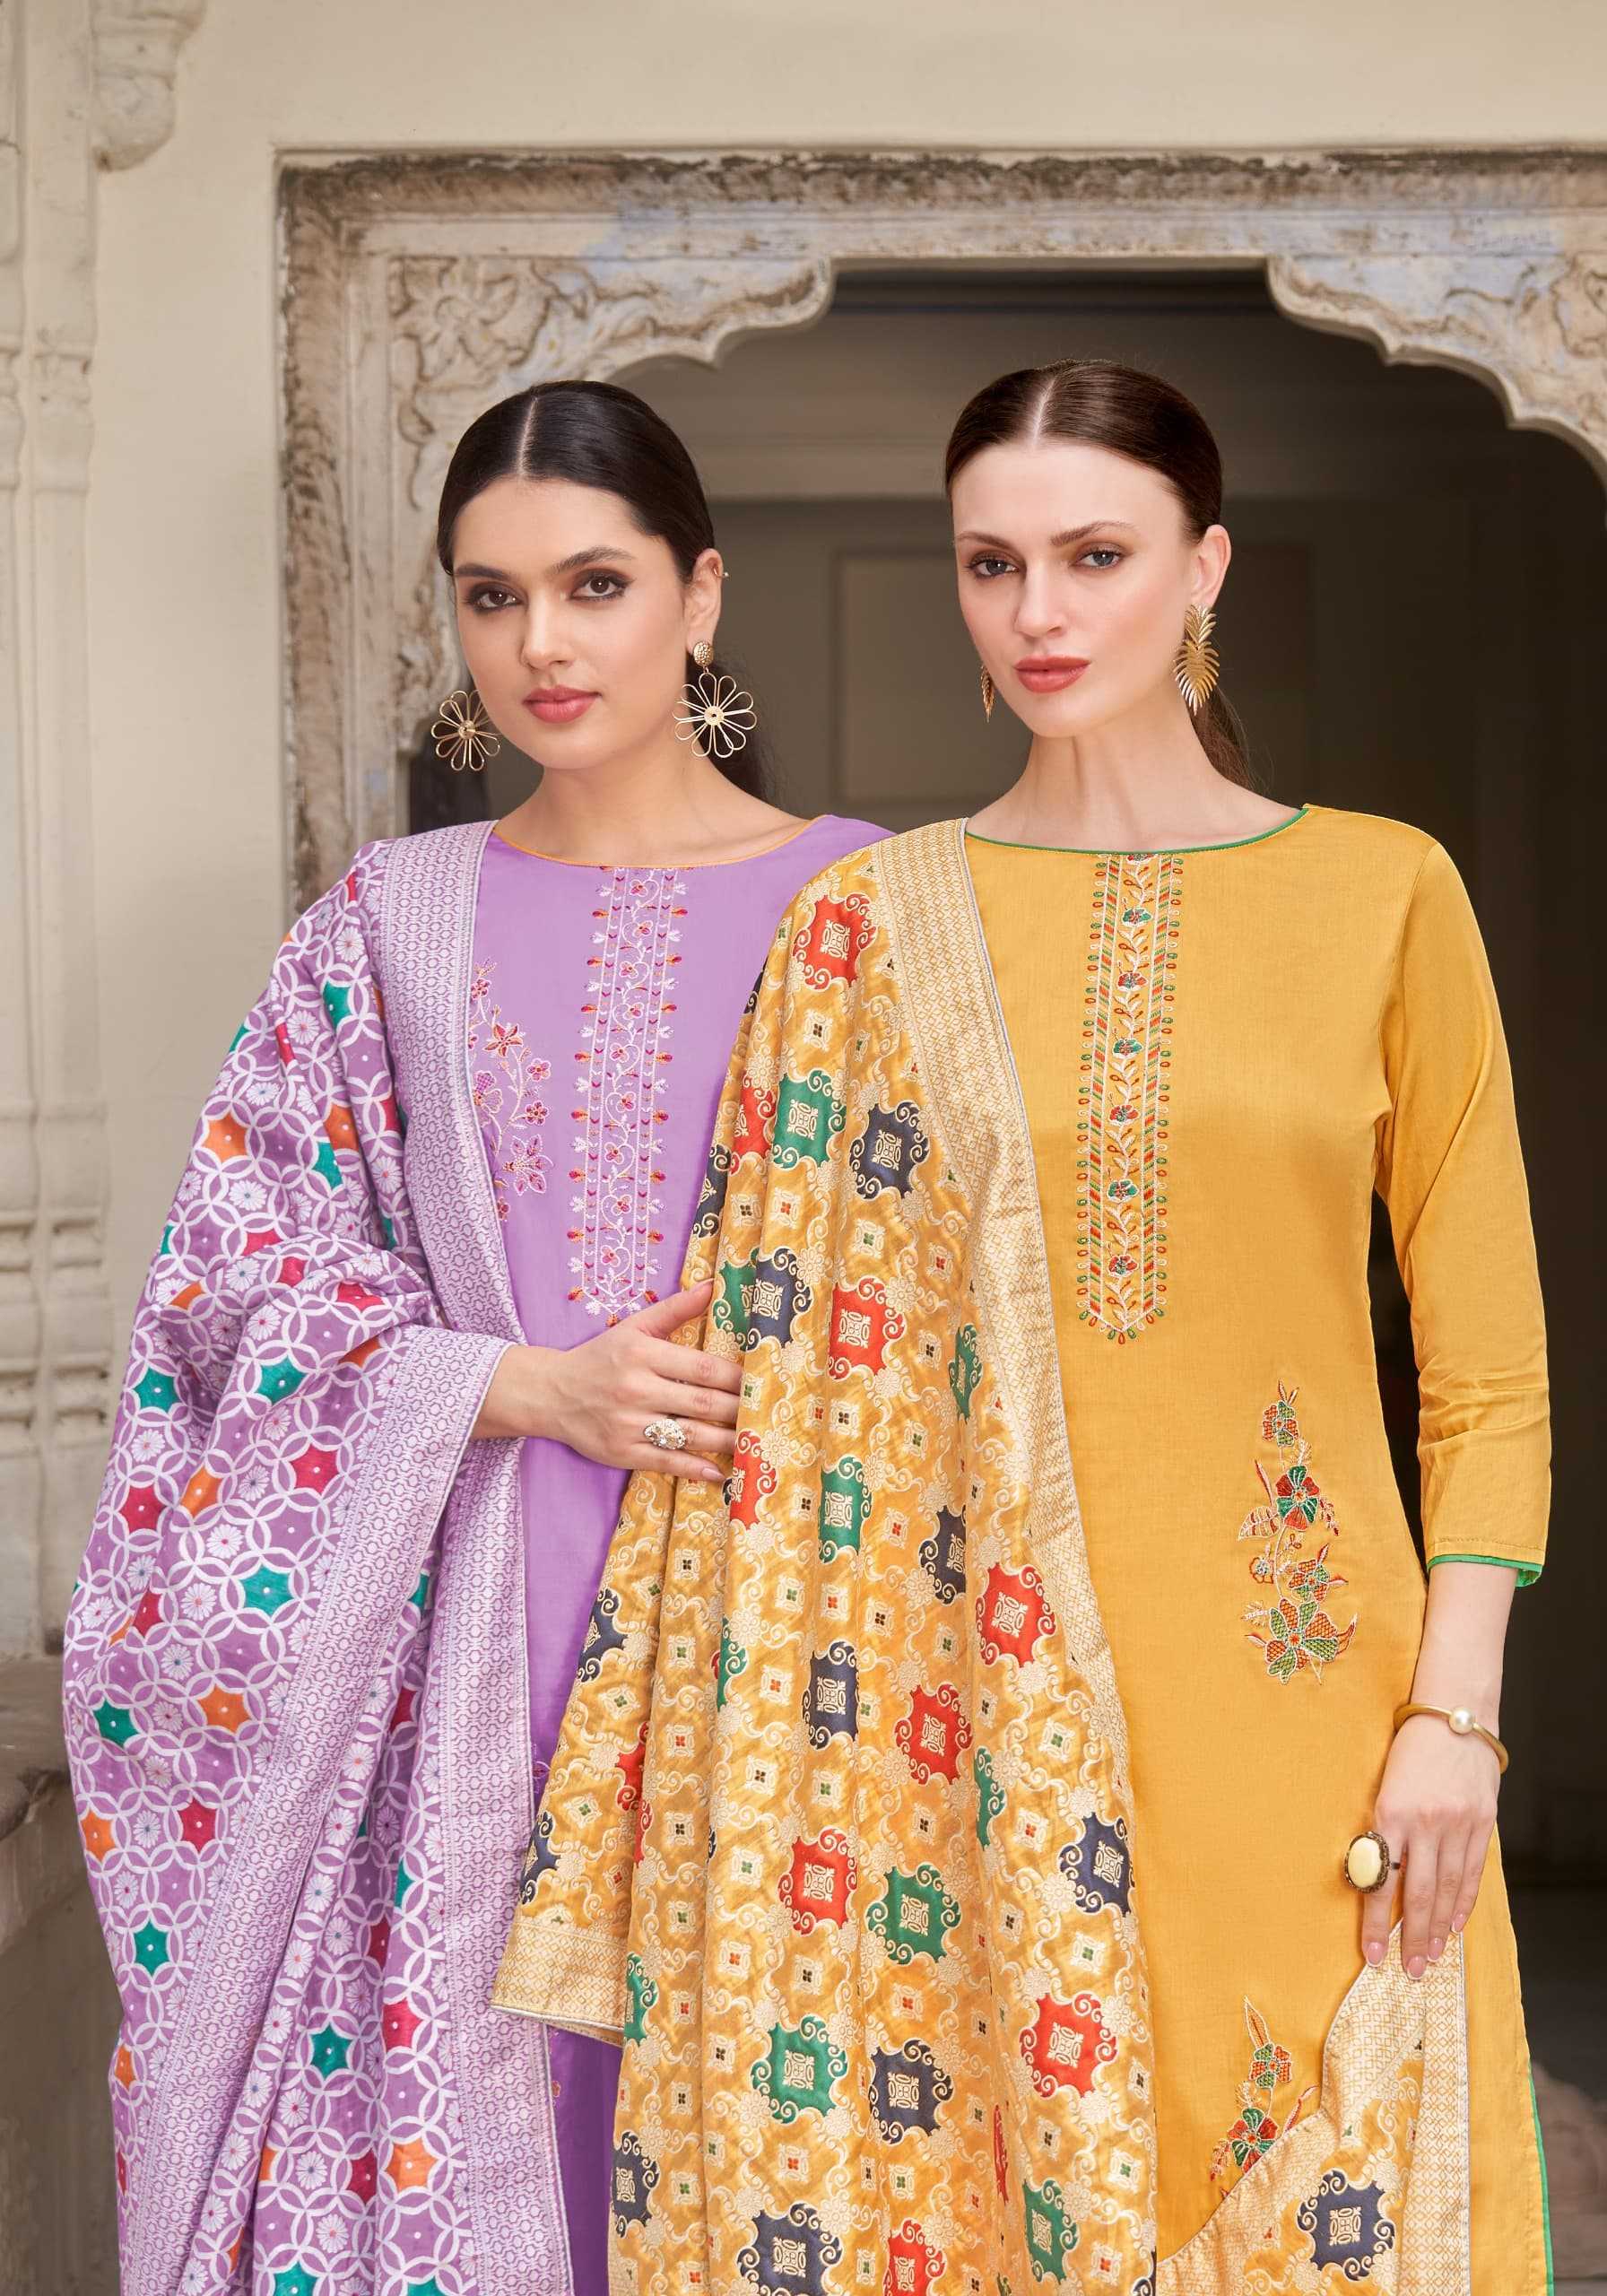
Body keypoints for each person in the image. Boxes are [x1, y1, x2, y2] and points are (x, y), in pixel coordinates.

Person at [496, 361, 1550, 2293]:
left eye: (1093, 556)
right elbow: (788, 1399)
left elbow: (1488, 1374)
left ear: (1204, 565)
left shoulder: (1385, 893)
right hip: (962, 1736)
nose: (1038, 612)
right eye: (992, 563)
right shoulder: (868, 924)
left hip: (1316, 1710)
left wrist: (1451, 1719)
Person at [62, 378, 881, 2296]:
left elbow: (965, 1297)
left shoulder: (868, 897)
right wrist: (511, 1383)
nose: (541, 646)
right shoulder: (390, 921)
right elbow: (228, 1287)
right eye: (491, 597)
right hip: (460, 1637)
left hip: (787, 1622)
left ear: (698, 592)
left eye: (594, 585)